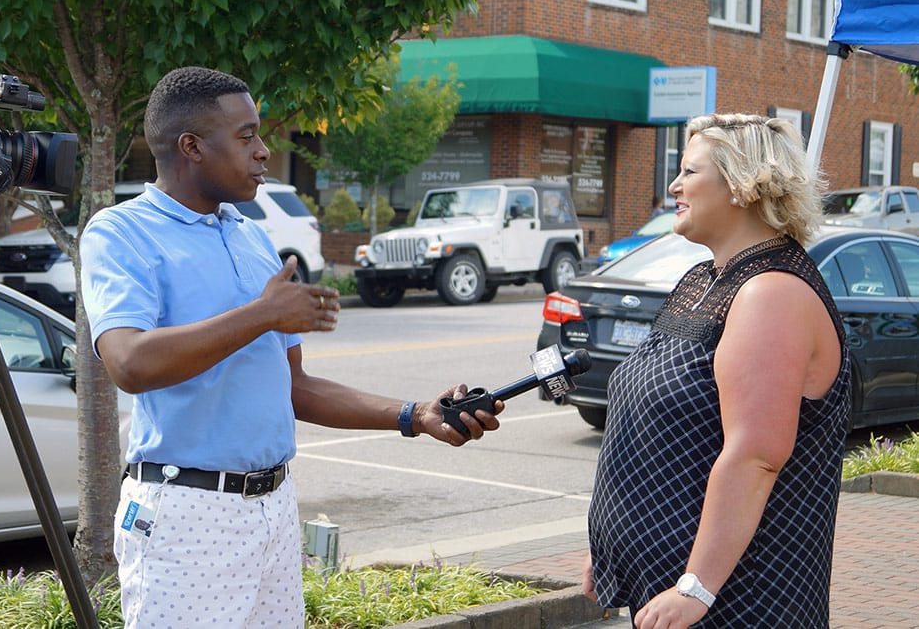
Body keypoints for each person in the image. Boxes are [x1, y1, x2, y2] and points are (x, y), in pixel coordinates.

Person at [80, 66, 502, 628]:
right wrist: (262, 314)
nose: (263, 151)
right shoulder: (121, 232)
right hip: (187, 514)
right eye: (247, 135)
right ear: (192, 147)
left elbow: (296, 387)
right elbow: (129, 364)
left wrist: (416, 415)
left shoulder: (250, 235)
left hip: (274, 508)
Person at [582, 113, 850, 628]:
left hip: (738, 603)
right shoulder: (704, 279)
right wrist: (613, 542)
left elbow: (754, 458)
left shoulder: (771, 293)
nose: (675, 186)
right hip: (669, 586)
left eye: (689, 171)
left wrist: (695, 587)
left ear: (743, 184)